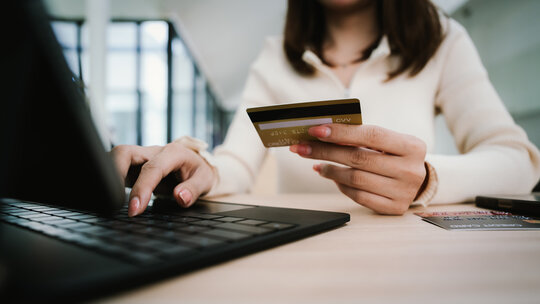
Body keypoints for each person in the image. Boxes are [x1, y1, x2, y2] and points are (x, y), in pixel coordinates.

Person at [112, 0, 540, 217]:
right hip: (299, 265)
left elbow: (520, 161)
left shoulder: (442, 40)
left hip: (409, 259)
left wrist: (428, 178)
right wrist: (198, 168)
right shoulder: (274, 56)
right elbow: (235, 164)